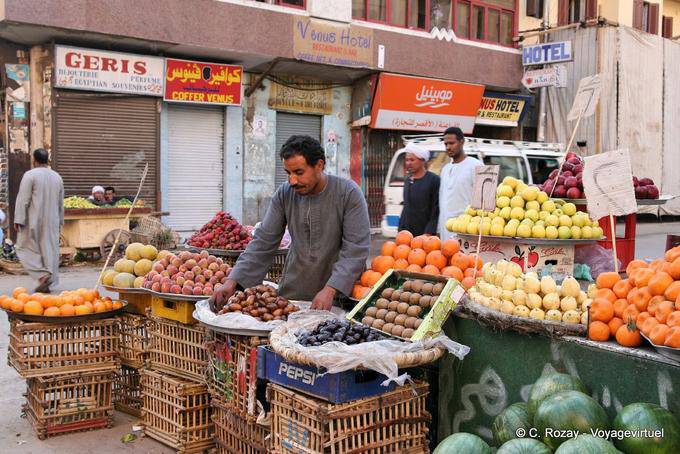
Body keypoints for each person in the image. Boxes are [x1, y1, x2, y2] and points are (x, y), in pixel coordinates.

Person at [210, 135, 370, 312]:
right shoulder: (285, 194)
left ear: (319, 165)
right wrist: (233, 280)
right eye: (288, 173)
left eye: (299, 172)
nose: (292, 180)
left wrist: (331, 289)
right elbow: (263, 242)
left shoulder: (348, 193)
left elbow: (356, 250)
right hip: (294, 293)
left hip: (339, 297)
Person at [14, 148, 64, 293]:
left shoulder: (30, 175)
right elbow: (60, 202)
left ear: (34, 160)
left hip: (33, 219)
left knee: (22, 246)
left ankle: (42, 275)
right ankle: (49, 278)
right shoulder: (57, 176)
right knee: (50, 250)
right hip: (52, 220)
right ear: (47, 160)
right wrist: (60, 221)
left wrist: (19, 219)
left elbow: (23, 199)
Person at [438, 127, 482, 241]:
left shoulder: (476, 165)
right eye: (446, 144)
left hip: (466, 230)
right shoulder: (445, 169)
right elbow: (442, 201)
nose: (448, 147)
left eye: (451, 143)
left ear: (462, 142)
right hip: (445, 228)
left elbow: (483, 201)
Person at [398, 143, 440, 236]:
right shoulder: (408, 180)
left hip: (425, 236)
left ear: (422, 161)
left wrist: (429, 231)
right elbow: (406, 207)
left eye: (412, 160)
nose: (408, 163)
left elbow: (435, 209)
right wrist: (401, 230)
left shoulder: (433, 180)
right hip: (407, 234)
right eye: (407, 160)